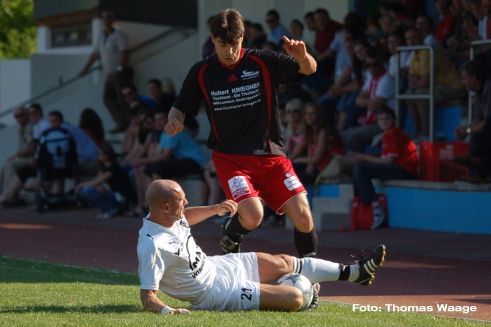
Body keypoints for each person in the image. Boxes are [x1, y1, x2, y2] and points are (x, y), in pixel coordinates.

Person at [164, 9, 319, 257]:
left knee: (303, 217)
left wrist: (303, 57)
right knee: (253, 215)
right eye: (222, 44)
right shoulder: (202, 72)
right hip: (231, 159)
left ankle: (309, 280)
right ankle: (232, 233)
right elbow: (179, 108)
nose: (230, 51)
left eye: (234, 43)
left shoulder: (262, 62)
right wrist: (174, 121)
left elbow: (309, 70)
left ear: (243, 37)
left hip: (272, 156)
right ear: (213, 40)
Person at [137, 179, 387, 314]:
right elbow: (147, 296)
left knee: (283, 262)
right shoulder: (152, 245)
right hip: (215, 292)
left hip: (217, 265)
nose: (186, 202)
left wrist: (214, 209)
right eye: (181, 200)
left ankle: (357, 273)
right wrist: (168, 312)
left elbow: (183, 219)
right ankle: (299, 288)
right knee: (295, 297)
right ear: (165, 207)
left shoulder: (169, 216)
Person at [351, 107, 418, 229]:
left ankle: (375, 207)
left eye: (387, 118)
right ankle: (361, 205)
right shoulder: (387, 134)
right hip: (398, 167)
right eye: (381, 119)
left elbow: (388, 161)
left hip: (404, 170)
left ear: (393, 120)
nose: (384, 122)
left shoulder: (393, 133)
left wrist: (363, 157)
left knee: (361, 168)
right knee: (358, 168)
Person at [79, 11, 133, 134]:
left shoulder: (120, 35)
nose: (106, 20)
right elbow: (96, 54)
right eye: (103, 18)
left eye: (108, 17)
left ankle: (131, 123)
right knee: (108, 98)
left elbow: (125, 53)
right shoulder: (102, 36)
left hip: (120, 73)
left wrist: (121, 69)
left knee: (123, 98)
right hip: (109, 74)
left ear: (113, 19)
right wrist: (86, 68)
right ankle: (122, 122)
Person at [76, 142, 136, 219]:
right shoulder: (103, 168)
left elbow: (96, 182)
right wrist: (98, 185)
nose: (98, 155)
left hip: (121, 196)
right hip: (113, 193)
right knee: (88, 190)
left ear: (107, 154)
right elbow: (97, 180)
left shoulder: (113, 168)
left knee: (88, 190)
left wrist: (79, 185)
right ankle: (106, 209)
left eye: (100, 153)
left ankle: (110, 208)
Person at [455, 59, 491, 182]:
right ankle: (475, 170)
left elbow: (487, 122)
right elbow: (477, 122)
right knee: (474, 130)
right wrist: (464, 130)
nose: (462, 82)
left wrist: (468, 130)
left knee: (486, 128)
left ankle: (477, 162)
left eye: (464, 78)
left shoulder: (489, 88)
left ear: (474, 78)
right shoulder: (478, 94)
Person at [0, 107, 33, 196]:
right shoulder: (21, 128)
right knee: (5, 166)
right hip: (24, 158)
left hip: (32, 159)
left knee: (10, 166)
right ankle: (8, 194)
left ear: (26, 114)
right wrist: (15, 156)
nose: (19, 118)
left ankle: (10, 196)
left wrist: (18, 155)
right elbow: (22, 149)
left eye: (21, 115)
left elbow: (30, 148)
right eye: (16, 116)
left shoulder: (31, 127)